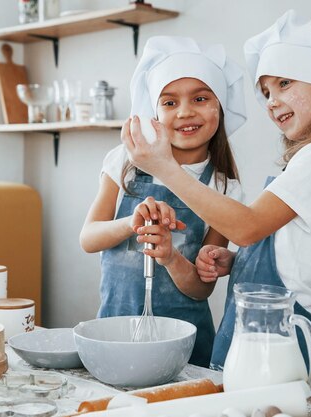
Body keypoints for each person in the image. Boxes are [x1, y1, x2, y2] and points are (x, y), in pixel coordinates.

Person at [122, 10, 311, 399]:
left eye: (283, 83)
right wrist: (240, 263)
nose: (271, 101)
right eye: (265, 91)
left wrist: (164, 166)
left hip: (289, 335)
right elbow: (283, 245)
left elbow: (247, 226)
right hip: (263, 329)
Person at [80, 36, 247, 367]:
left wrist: (170, 256)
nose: (185, 112)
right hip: (117, 332)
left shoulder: (222, 186)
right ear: (153, 113)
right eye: (169, 103)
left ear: (220, 107)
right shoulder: (123, 162)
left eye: (200, 98)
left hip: (186, 347)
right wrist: (131, 224)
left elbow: (202, 289)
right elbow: (88, 238)